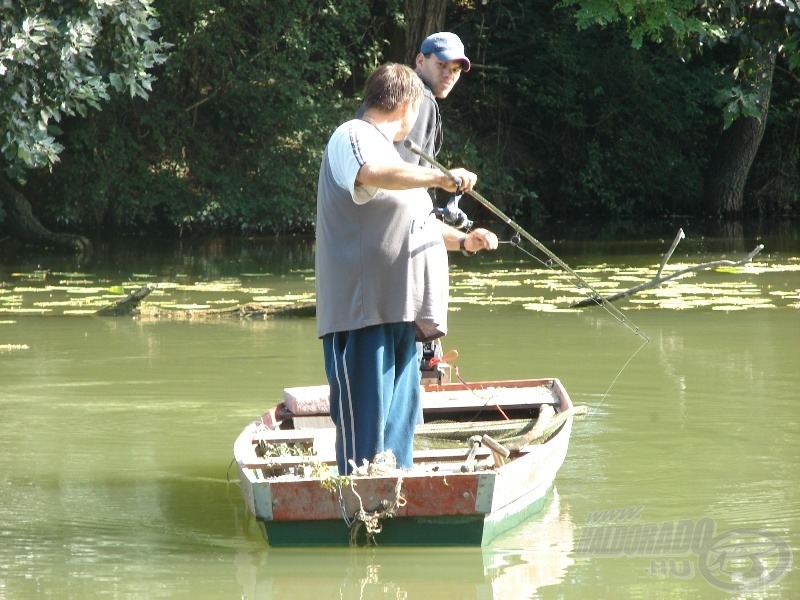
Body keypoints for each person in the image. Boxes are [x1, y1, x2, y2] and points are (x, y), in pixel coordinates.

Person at [316, 63, 498, 475]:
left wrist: (464, 242)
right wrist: (438, 177)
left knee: (398, 436)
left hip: (402, 315)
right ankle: (360, 506)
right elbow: (370, 174)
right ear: (406, 104)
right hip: (363, 314)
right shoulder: (353, 136)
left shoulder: (396, 160)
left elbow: (417, 224)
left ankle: (396, 500)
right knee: (366, 441)